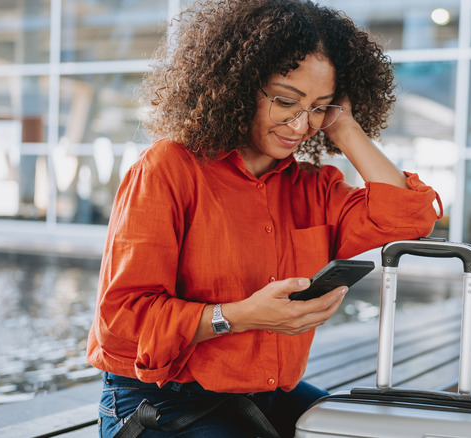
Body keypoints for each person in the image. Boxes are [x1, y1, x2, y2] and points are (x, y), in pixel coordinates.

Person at [87, 0, 442, 436]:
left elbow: (410, 217)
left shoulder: (314, 188)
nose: (301, 124)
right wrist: (239, 316)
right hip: (161, 398)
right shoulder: (169, 168)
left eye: (319, 107)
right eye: (286, 101)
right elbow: (122, 322)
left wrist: (346, 128)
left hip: (263, 392)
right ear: (238, 85)